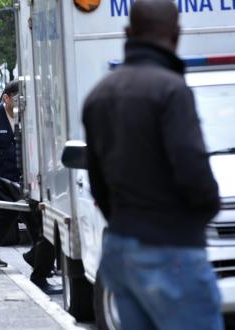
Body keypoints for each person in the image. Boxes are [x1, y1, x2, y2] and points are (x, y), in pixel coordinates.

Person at [82, 1, 223, 329]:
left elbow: (98, 183)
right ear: (176, 34)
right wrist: (202, 214)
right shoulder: (171, 90)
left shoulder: (98, 95)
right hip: (171, 246)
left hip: (119, 247)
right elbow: (193, 172)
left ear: (129, 33)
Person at [0, 81, 60, 294]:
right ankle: (35, 266)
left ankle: (34, 260)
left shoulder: (33, 115)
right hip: (5, 179)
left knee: (37, 222)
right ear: (7, 98)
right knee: (12, 217)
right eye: (18, 99)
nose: (22, 103)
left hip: (31, 179)